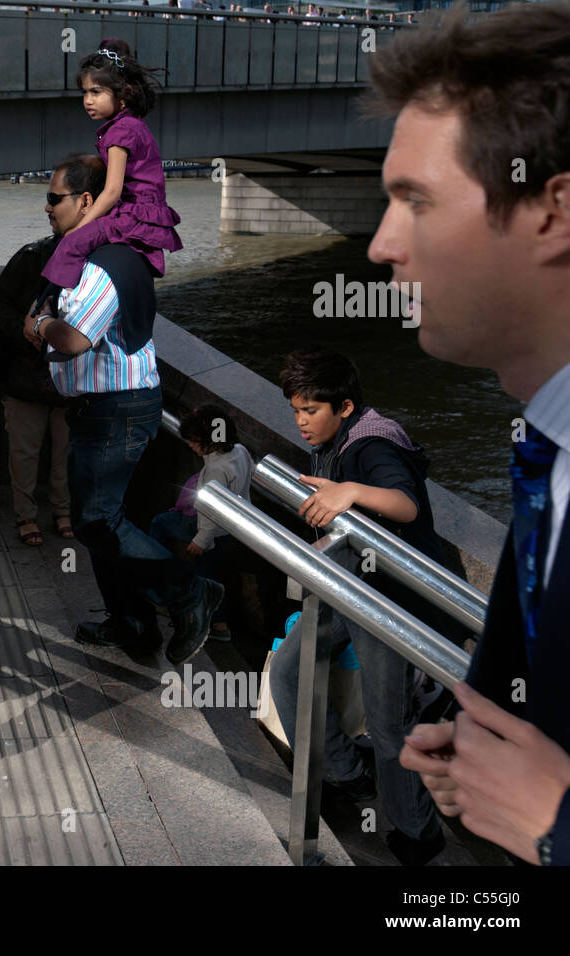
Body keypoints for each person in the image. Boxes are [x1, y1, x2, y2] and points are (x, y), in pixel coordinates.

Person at [365, 2, 570, 867]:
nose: (380, 246)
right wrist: (477, 763)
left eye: (415, 202)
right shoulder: (549, 445)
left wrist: (555, 825)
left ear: (555, 212)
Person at [25, 154, 222, 665]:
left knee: (96, 520)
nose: (46, 207)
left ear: (86, 201)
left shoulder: (99, 264)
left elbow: (72, 338)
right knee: (101, 520)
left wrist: (43, 326)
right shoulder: (100, 253)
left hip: (115, 409)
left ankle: (188, 593)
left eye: (54, 198)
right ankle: (132, 624)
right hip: (103, 407)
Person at [271, 348, 452, 865]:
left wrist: (351, 490)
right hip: (347, 581)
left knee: (390, 720)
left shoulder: (372, 445)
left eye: (311, 411)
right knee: (289, 672)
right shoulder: (335, 438)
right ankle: (350, 774)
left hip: (389, 599)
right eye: (296, 410)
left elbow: (406, 504)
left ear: (345, 406)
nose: (302, 422)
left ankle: (418, 833)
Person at [40, 40, 182, 295]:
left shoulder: (120, 133)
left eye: (96, 92)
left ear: (123, 94)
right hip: (140, 211)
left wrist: (80, 228)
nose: (87, 100)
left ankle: (55, 302)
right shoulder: (131, 124)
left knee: (70, 245)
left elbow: (112, 191)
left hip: (132, 215)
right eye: (84, 93)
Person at [0, 232, 72, 547]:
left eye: (57, 199)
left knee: (66, 449)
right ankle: (26, 515)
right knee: (25, 450)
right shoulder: (31, 255)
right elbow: (0, 299)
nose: (49, 207)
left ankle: (62, 510)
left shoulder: (96, 254)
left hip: (70, 372)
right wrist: (24, 333)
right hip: (27, 370)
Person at [149, 404, 254, 642]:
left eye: (195, 441)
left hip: (211, 532)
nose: (191, 446)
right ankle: (220, 625)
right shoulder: (239, 451)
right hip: (233, 529)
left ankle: (162, 588)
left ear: (210, 441)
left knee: (160, 524)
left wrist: (200, 540)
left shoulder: (216, 470)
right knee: (213, 575)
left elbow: (209, 511)